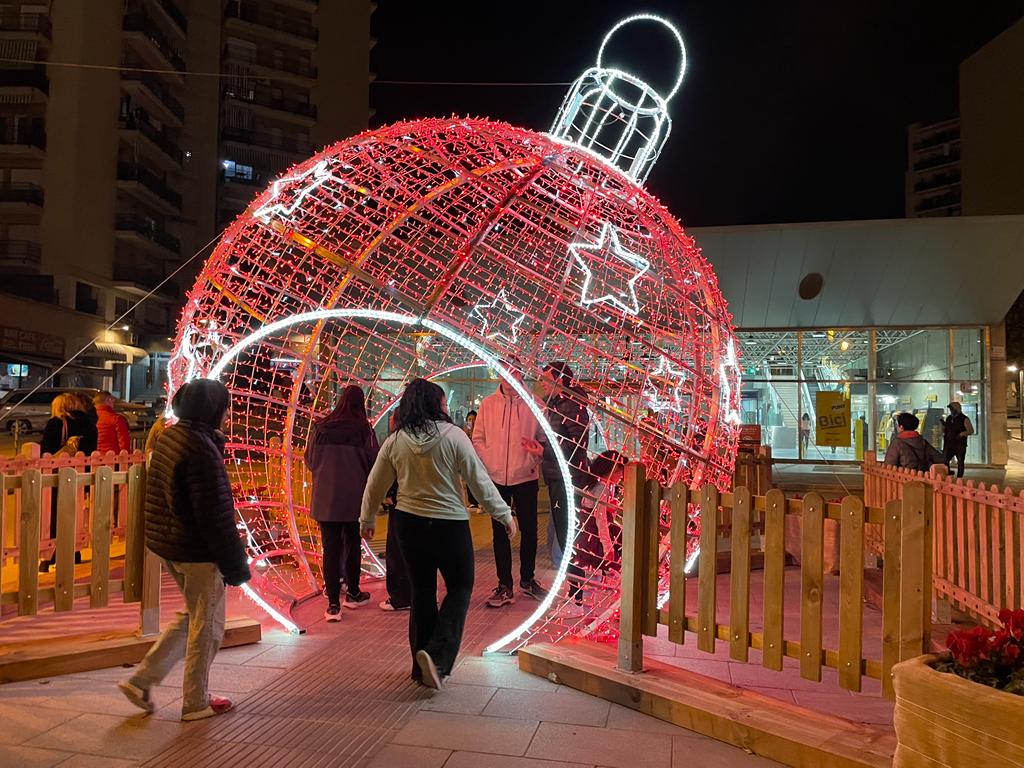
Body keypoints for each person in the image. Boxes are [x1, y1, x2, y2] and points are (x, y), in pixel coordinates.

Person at [360, 379, 516, 689]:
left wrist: (367, 518)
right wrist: (503, 514)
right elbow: (478, 481)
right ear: (435, 404)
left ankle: (421, 669)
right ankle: (438, 656)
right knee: (460, 586)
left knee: (422, 593)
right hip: (449, 525)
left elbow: (375, 482)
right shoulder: (455, 436)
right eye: (444, 402)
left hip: (408, 523)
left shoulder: (396, 440)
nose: (446, 407)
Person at [118, 379, 250, 721]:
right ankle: (195, 702)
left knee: (194, 617)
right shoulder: (200, 448)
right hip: (196, 552)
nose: (229, 413)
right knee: (209, 627)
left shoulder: (170, 437)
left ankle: (141, 680)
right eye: (226, 407)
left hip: (171, 545)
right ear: (212, 409)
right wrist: (236, 565)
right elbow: (215, 516)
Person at [472, 361, 546, 607]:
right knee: (499, 533)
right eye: (503, 371)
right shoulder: (488, 404)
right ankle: (505, 585)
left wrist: (536, 454)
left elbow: (545, 440)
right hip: (496, 478)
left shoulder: (535, 404)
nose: (507, 376)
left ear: (520, 373)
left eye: (513, 371)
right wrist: (489, 459)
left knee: (529, 530)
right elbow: (478, 437)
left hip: (526, 475)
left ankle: (527, 578)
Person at [305, 385, 378, 621]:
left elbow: (309, 459)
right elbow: (375, 462)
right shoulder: (364, 430)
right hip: (354, 499)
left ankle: (333, 604)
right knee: (353, 545)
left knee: (331, 549)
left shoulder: (321, 427)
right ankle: (354, 593)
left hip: (325, 500)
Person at [537, 362, 590, 596]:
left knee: (570, 535)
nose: (541, 383)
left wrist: (543, 450)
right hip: (557, 477)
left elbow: (578, 445)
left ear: (559, 380)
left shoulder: (571, 406)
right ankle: (574, 590)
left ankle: (577, 593)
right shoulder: (557, 405)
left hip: (567, 479)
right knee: (564, 533)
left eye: (545, 379)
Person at [39, 392, 99, 572]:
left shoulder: (57, 423)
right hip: (81, 475)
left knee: (53, 515)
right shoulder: (89, 424)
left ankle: (50, 555)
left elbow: (46, 450)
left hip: (58, 476)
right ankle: (74, 552)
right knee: (75, 513)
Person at [575, 450, 626, 574]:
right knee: (604, 564)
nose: (621, 477)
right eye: (620, 472)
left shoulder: (595, 484)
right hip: (596, 535)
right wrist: (607, 547)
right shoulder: (602, 489)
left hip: (589, 533)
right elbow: (600, 519)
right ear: (611, 471)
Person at [380, 409, 411, 612]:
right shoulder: (420, 439)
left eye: (392, 417)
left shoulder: (395, 442)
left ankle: (400, 597)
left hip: (399, 503)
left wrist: (387, 494)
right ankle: (420, 594)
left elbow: (386, 473)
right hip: (418, 505)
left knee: (397, 552)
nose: (389, 420)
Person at [942, 401, 974, 479]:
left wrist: (961, 434)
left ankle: (959, 477)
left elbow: (971, 430)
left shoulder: (964, 419)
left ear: (957, 409)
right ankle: (948, 473)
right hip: (949, 443)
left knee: (960, 461)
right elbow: (946, 429)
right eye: (950, 409)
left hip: (960, 444)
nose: (951, 411)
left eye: (952, 409)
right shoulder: (949, 418)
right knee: (945, 460)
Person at [463, 410, 479, 510]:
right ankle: (472, 501)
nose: (472, 422)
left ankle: (479, 502)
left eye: (474, 420)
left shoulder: (479, 434)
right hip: (469, 461)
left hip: (478, 460)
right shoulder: (464, 434)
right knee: (469, 481)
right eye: (469, 420)